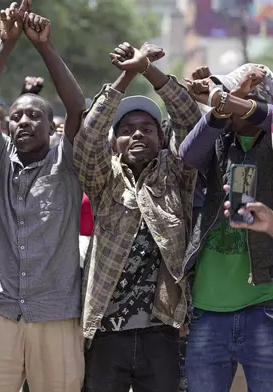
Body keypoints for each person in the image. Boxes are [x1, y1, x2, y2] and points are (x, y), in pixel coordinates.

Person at [0, 2, 86, 390]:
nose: (23, 122)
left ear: (52, 128)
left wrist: (45, 47)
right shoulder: (0, 159)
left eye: (35, 116)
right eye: (16, 116)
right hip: (2, 310)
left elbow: (77, 107)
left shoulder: (66, 162)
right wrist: (5, 44)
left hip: (56, 313)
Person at [73, 41, 200, 392]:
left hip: (164, 331)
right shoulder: (103, 181)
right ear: (115, 142)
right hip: (105, 331)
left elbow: (191, 120)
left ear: (161, 138)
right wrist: (127, 75)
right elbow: (86, 139)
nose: (138, 133)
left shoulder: (178, 175)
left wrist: (149, 70)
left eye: (147, 127)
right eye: (127, 129)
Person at [179, 63, 273, 392]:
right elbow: (187, 154)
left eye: (235, 94)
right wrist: (221, 109)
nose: (227, 99)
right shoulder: (218, 143)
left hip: (264, 307)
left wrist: (240, 101)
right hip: (208, 309)